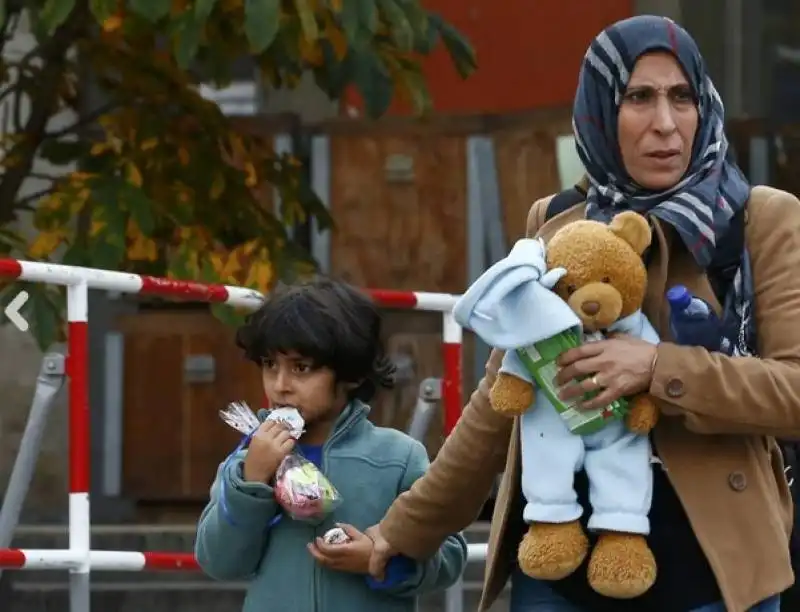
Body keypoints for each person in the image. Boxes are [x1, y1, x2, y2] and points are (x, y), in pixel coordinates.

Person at [358, 14, 800, 612]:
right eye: (639, 97)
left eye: (682, 97)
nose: (666, 123)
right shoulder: (557, 223)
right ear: (600, 110)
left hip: (714, 578)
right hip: (559, 570)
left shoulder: (761, 220)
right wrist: (402, 531)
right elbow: (498, 400)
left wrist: (657, 369)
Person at [193, 278, 468, 612]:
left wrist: (379, 559)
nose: (280, 385)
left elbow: (450, 554)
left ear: (350, 373)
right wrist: (250, 484)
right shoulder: (248, 458)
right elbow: (218, 562)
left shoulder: (398, 457)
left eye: (301, 368)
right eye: (269, 365)